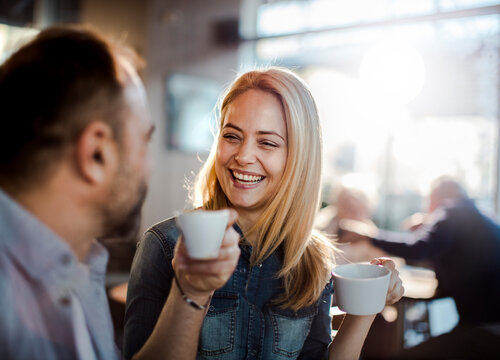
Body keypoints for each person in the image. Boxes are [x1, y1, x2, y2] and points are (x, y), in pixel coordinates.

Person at [0, 26, 241, 360]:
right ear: (96, 154)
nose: (149, 165)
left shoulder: (73, 265)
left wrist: (191, 289)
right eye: (144, 140)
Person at [124, 67, 404, 360]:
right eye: (232, 136)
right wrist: (189, 293)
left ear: (298, 157)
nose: (243, 156)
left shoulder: (311, 260)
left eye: (267, 142)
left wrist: (367, 304)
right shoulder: (165, 244)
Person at [339, 176, 500, 358]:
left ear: (436, 196)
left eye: (428, 200)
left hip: (485, 331)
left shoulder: (450, 210)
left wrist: (369, 235)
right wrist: (430, 223)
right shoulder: (478, 216)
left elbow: (418, 248)